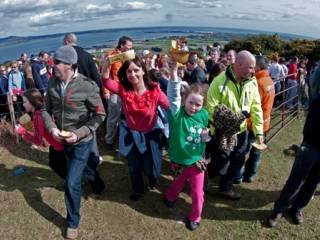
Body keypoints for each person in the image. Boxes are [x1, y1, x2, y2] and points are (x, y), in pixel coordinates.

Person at [42, 45, 106, 239]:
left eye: (57, 62)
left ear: (69, 64)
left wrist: (79, 134)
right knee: (82, 170)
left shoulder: (87, 86)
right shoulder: (52, 82)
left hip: (82, 141)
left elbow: (100, 115)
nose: (53, 65)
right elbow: (45, 109)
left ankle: (72, 222)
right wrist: (52, 128)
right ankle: (99, 186)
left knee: (72, 181)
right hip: (62, 140)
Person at [101, 56, 169, 201]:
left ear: (143, 71)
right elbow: (106, 82)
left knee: (151, 168)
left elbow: (170, 107)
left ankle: (152, 179)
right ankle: (137, 189)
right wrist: (106, 66)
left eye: (136, 70)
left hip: (151, 135)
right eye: (129, 72)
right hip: (131, 134)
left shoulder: (155, 92)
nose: (132, 74)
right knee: (133, 166)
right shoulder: (124, 90)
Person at [205, 50, 264, 200]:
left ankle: (225, 187)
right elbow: (210, 109)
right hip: (223, 130)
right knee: (220, 161)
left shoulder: (252, 81)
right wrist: (233, 119)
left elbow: (256, 107)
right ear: (238, 64)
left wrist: (259, 132)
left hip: (242, 131)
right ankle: (205, 177)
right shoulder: (219, 81)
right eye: (250, 67)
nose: (253, 70)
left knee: (238, 160)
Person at [163, 58, 209, 231]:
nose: (194, 107)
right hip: (179, 159)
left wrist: (206, 138)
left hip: (197, 161)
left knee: (198, 192)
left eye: (198, 104)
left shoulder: (203, 115)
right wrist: (174, 73)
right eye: (191, 102)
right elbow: (173, 95)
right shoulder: (176, 115)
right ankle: (169, 196)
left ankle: (195, 217)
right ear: (184, 101)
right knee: (177, 182)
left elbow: (204, 136)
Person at [267, 83, 320, 227]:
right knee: (296, 179)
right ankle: (279, 209)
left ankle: (297, 208)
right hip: (312, 143)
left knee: (313, 182)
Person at [234, 55, 275, 183]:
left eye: (252, 66)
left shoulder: (257, 83)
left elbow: (251, 105)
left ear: (257, 66)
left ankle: (238, 176)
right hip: (265, 123)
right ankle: (250, 175)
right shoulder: (269, 81)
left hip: (253, 124)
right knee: (256, 151)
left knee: (243, 151)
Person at [16, 88, 67, 179]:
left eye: (25, 102)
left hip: (59, 145)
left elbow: (38, 141)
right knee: (56, 163)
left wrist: (23, 132)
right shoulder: (41, 110)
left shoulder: (38, 116)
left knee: (57, 165)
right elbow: (39, 130)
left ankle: (72, 183)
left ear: (32, 102)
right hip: (58, 142)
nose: (23, 104)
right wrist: (20, 92)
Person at [102, 36, 133, 151]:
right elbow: (105, 73)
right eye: (129, 46)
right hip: (114, 90)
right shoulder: (111, 55)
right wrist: (106, 91)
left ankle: (123, 138)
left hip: (127, 89)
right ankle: (109, 140)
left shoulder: (128, 56)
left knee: (126, 116)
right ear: (121, 45)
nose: (130, 48)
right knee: (113, 116)